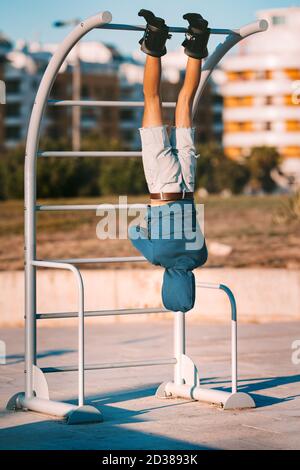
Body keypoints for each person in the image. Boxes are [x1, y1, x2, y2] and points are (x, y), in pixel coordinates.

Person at [129, 10, 209, 313]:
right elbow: (133, 232)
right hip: (161, 185)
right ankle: (155, 38)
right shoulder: (157, 257)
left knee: (185, 100)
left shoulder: (200, 257)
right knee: (151, 98)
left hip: (188, 183)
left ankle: (197, 38)